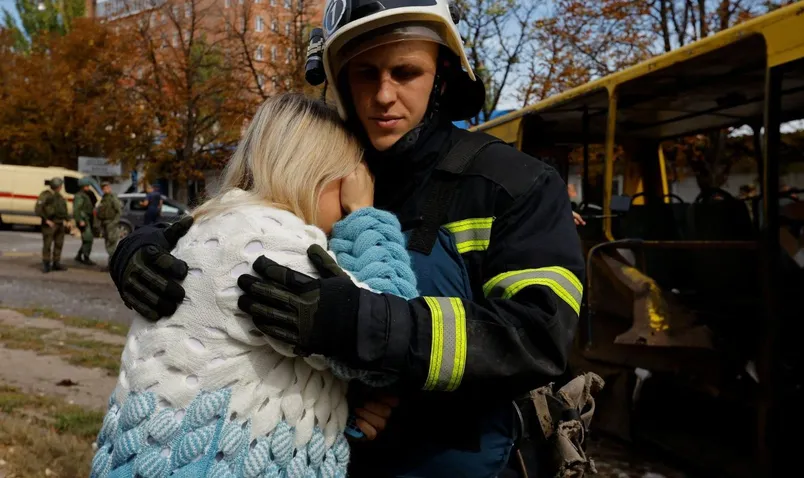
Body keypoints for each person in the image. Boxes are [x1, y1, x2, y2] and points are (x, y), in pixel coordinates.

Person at [107, 1, 585, 476]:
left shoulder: (513, 184)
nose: (384, 95)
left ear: (441, 75)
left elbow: (538, 337)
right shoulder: (332, 167)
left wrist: (363, 325)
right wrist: (142, 247)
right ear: (340, 82)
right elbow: (245, 217)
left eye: (406, 72)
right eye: (365, 74)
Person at [92, 94, 418, 478]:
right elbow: (391, 330)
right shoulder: (267, 241)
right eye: (349, 179)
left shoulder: (217, 226)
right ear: (318, 175)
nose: (348, 199)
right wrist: (364, 215)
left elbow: (262, 372)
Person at [35, 177, 69, 273]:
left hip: (59, 222)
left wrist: (67, 220)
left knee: (59, 243)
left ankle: (56, 262)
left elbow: (63, 209)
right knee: (47, 244)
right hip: (50, 223)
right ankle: (46, 263)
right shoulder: (45, 195)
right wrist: (46, 220)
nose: (61, 187)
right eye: (60, 185)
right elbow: (38, 209)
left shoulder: (59, 196)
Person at [96, 181, 123, 267]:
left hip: (111, 223)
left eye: (107, 187)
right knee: (108, 244)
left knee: (112, 243)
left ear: (109, 188)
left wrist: (114, 222)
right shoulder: (104, 198)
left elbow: (119, 212)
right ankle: (111, 264)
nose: (105, 189)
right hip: (105, 223)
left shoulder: (113, 198)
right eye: (104, 188)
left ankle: (113, 264)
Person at [73, 177, 96, 266]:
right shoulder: (79, 196)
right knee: (88, 238)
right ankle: (86, 257)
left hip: (88, 219)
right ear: (82, 186)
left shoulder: (86, 194)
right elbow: (76, 209)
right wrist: (80, 220)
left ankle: (79, 256)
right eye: (86, 186)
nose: (88, 187)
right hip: (83, 219)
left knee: (86, 239)